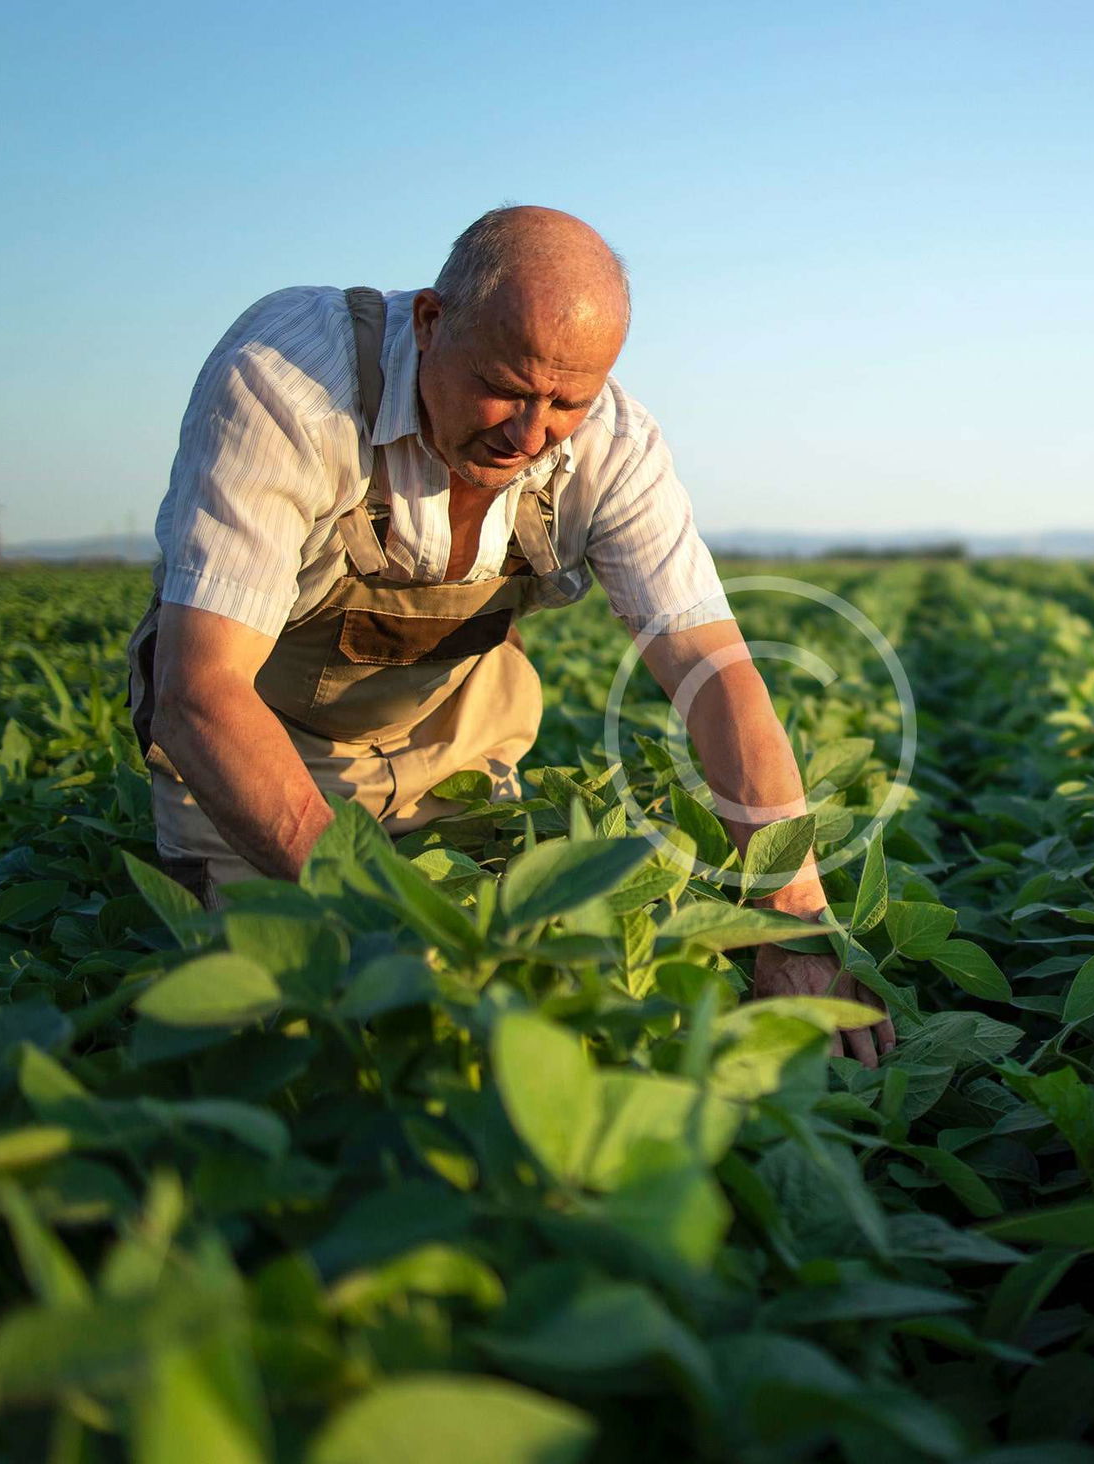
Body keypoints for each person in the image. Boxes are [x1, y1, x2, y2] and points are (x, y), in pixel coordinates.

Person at [126, 205, 896, 1066]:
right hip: (258, 752)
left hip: (455, 742)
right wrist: (390, 926)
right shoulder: (288, 383)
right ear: (429, 321)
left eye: (567, 401)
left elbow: (713, 672)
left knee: (522, 1019)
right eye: (506, 386)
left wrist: (789, 923)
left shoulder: (615, 446)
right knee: (290, 1032)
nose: (529, 435)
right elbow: (199, 697)